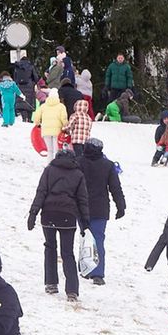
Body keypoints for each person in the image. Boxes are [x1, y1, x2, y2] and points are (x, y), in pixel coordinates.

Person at [27, 149, 90, 301]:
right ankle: (72, 290)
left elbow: (41, 192)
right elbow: (82, 199)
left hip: (49, 213)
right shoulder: (78, 174)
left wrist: (33, 213)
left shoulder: (49, 170)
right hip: (68, 216)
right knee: (67, 252)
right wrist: (85, 222)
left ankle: (51, 283)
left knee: (50, 247)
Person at [78, 138, 125, 287]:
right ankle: (97, 273)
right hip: (100, 208)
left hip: (81, 206)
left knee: (85, 237)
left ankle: (85, 269)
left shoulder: (78, 162)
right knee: (98, 239)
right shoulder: (108, 165)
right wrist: (121, 206)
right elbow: (115, 187)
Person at [32, 90, 67, 155]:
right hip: (57, 131)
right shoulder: (61, 106)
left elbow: (36, 117)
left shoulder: (43, 106)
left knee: (49, 150)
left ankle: (49, 161)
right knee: (56, 150)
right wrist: (65, 126)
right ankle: (56, 161)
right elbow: (64, 118)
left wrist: (38, 124)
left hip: (45, 131)